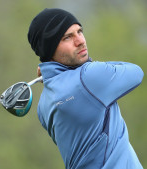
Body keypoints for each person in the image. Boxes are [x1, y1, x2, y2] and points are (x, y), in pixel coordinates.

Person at [28, 8, 143, 169]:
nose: (80, 41)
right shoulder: (89, 77)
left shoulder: (43, 105)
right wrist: (89, 65)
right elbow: (136, 72)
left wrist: (49, 72)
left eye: (79, 31)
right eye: (67, 37)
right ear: (49, 49)